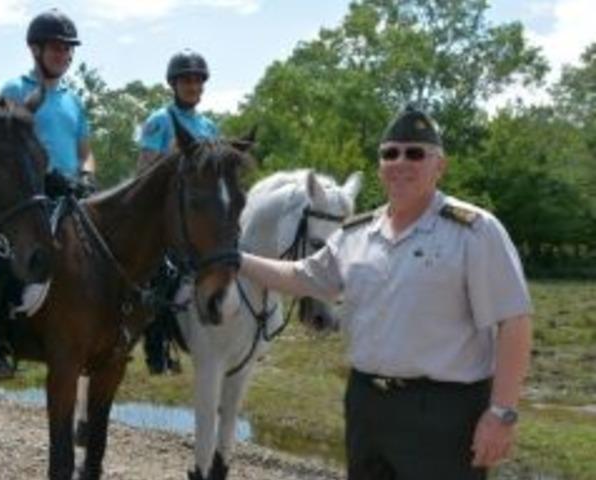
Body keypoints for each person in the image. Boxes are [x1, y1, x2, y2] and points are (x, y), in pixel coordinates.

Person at [239, 105, 533, 479]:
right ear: (380, 167)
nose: (401, 162)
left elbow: (515, 321)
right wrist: (235, 258)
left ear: (439, 165)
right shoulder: (357, 233)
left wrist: (502, 412)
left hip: (444, 413)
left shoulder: (475, 231)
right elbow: (303, 277)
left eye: (415, 153)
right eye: (390, 153)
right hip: (366, 405)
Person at [0, 8, 95, 379]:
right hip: (29, 194)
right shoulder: (15, 90)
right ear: (36, 49)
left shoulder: (73, 101)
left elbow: (85, 150)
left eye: (67, 49)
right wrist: (49, 176)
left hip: (71, 193)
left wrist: (86, 176)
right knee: (5, 253)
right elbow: (6, 146)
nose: (63, 55)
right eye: (56, 48)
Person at [136, 49, 219, 374]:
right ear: (173, 84)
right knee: (160, 273)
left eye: (198, 79)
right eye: (186, 79)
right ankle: (156, 345)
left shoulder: (210, 126)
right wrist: (172, 158)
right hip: (164, 212)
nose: (193, 85)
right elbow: (143, 171)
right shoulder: (160, 121)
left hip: (200, 215)